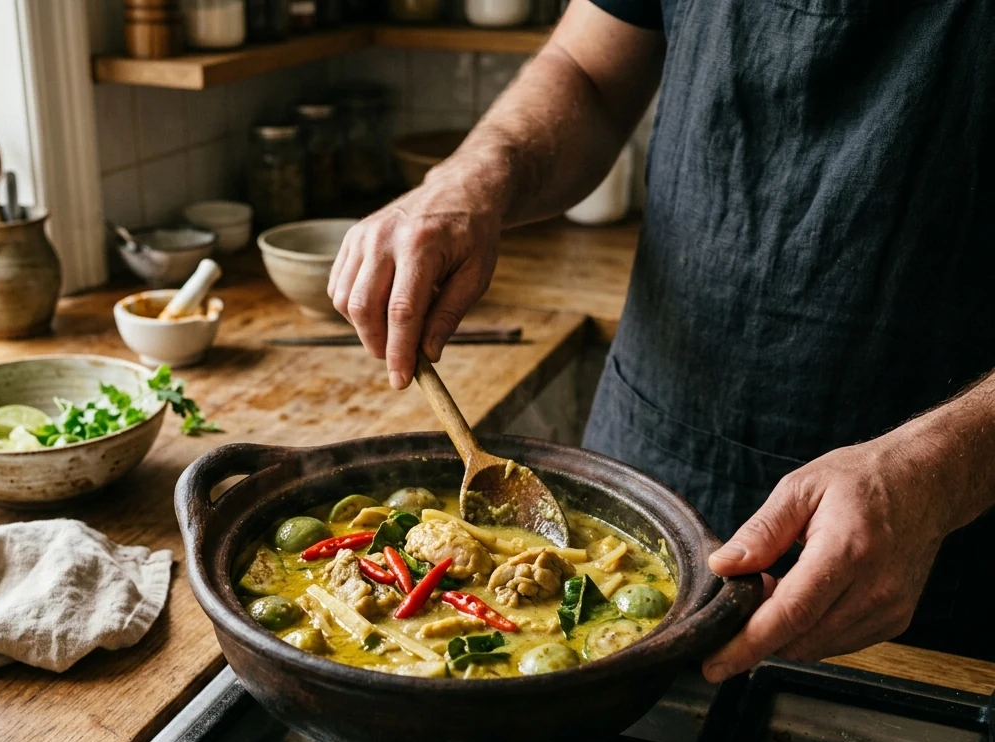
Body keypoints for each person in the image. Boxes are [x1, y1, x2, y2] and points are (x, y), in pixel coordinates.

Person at [328, 0, 995, 677]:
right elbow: (587, 71)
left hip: (936, 532)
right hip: (651, 451)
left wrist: (937, 473)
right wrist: (474, 176)